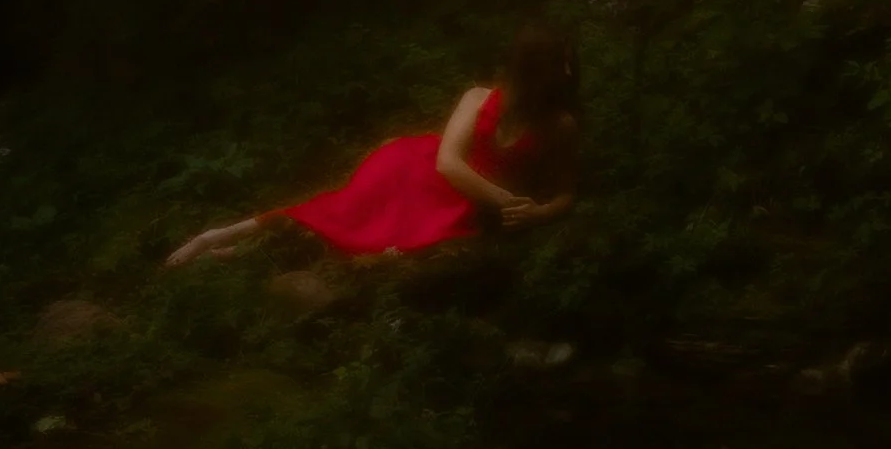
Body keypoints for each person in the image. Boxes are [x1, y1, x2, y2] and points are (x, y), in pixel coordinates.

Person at [166, 20, 580, 269]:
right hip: (414, 171)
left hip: (462, 205)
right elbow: (448, 164)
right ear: (531, 68)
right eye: (558, 62)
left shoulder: (560, 125)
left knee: (352, 243)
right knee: (335, 213)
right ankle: (216, 237)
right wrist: (507, 200)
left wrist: (539, 214)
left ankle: (234, 255)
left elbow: (567, 192)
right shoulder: (477, 98)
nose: (567, 71)